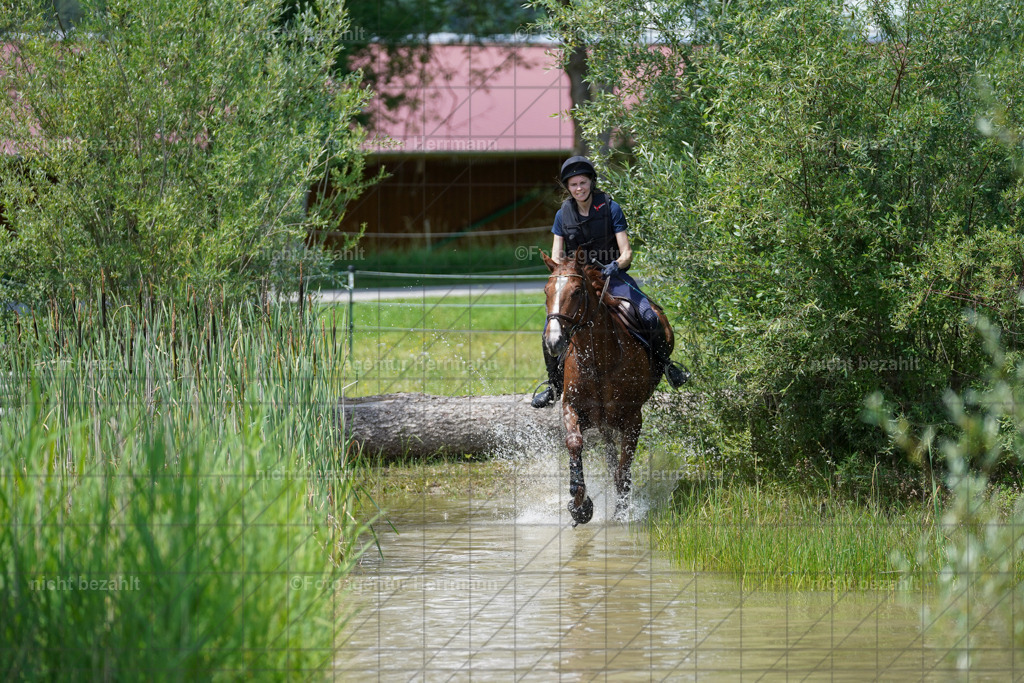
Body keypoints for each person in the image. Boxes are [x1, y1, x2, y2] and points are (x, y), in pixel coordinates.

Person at [531, 156, 689, 408]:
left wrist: (615, 264)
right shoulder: (562, 215)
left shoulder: (611, 208)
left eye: (583, 182)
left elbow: (627, 253)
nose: (579, 188)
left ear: (591, 182)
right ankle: (553, 385)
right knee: (549, 330)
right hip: (578, 282)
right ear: (568, 188)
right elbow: (557, 256)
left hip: (612, 277)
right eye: (573, 184)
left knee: (649, 316)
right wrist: (566, 273)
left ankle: (667, 366)